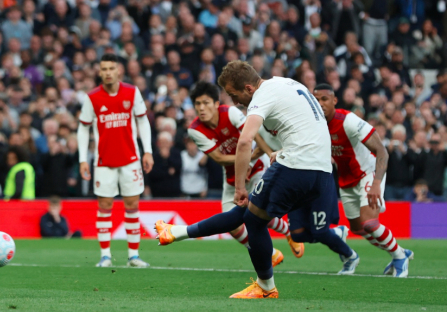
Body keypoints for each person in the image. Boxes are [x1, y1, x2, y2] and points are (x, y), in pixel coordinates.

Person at [156, 61, 356, 299]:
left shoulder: (262, 96)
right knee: (252, 215)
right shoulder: (286, 83)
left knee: (252, 218)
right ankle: (176, 232)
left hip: (297, 165)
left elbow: (244, 141)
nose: (235, 102)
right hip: (322, 173)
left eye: (235, 95)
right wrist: (278, 152)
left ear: (249, 88)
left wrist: (240, 186)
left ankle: (266, 286)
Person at [187, 81, 304, 265]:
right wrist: (243, 160)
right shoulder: (194, 130)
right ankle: (271, 253)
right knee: (230, 223)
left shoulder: (231, 112)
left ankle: (288, 232)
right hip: (232, 174)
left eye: (206, 103)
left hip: (258, 164)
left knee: (256, 209)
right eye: (198, 104)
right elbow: (218, 158)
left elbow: (255, 136)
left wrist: (258, 156)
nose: (201, 108)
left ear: (216, 103)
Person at [313, 83, 414, 278]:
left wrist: (376, 183)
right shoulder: (314, 123)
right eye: (316, 100)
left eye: (324, 99)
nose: (320, 103)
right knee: (358, 228)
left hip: (368, 172)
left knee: (370, 224)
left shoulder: (348, 120)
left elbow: (382, 150)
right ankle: (400, 251)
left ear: (334, 101)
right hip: (346, 179)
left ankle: (400, 256)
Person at [78, 53, 154, 268]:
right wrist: (83, 159)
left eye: (111, 68)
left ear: (119, 70)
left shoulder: (131, 92)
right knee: (104, 205)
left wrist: (147, 151)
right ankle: (105, 256)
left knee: (132, 205)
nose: (108, 73)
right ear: (99, 72)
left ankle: (133, 256)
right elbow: (83, 127)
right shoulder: (92, 97)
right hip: (103, 161)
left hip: (130, 159)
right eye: (104, 69)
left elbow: (143, 122)